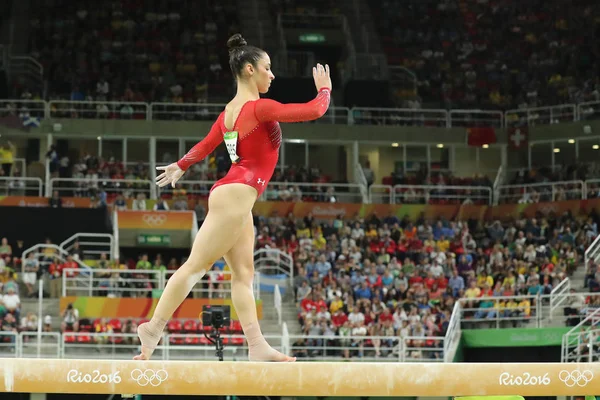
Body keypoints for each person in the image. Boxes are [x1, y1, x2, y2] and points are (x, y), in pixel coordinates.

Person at [135, 33, 332, 362]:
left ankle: (256, 345)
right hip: (236, 194)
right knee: (197, 266)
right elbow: (313, 111)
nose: (273, 75)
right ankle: (154, 327)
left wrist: (181, 165)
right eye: (268, 68)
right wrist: (324, 88)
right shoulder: (259, 108)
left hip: (237, 196)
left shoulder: (229, 113)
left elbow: (207, 144)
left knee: (243, 275)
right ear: (250, 70)